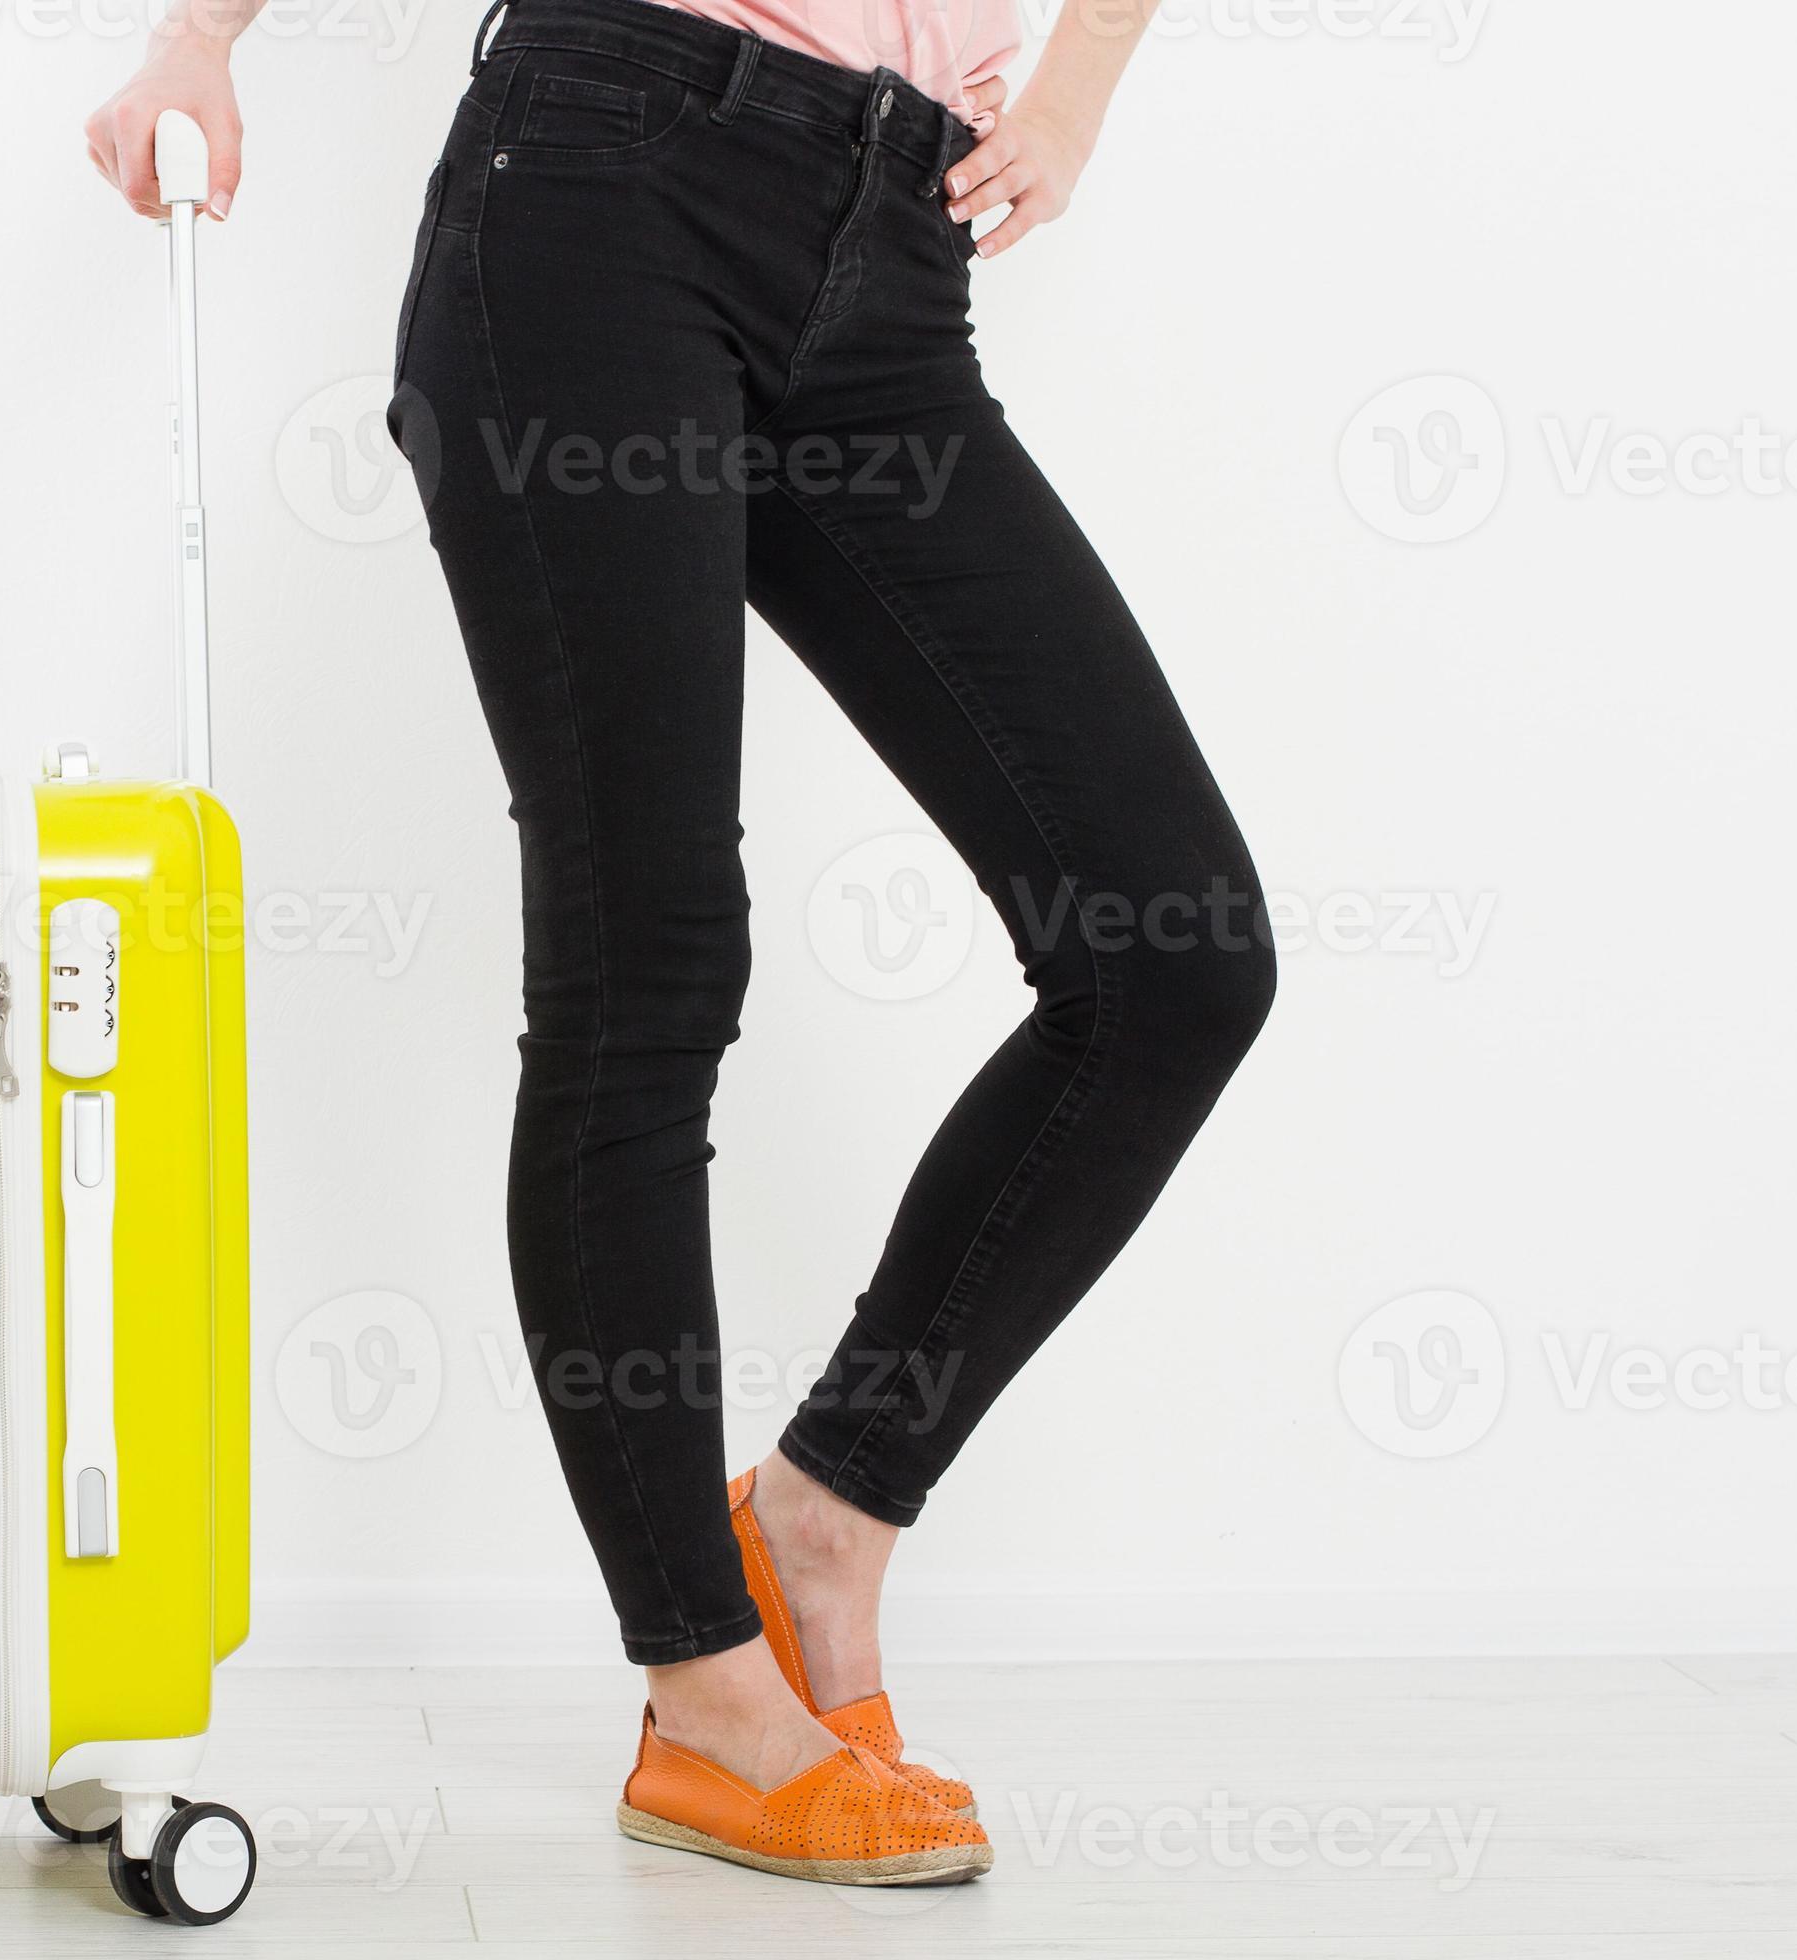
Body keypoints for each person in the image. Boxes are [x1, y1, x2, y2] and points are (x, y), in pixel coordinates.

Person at [90, 0, 1275, 1888]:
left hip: (895, 246)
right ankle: (705, 1689)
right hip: (602, 176)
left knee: (1177, 953)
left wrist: (1077, 87)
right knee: (651, 964)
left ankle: (824, 1512)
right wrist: (199, 43)